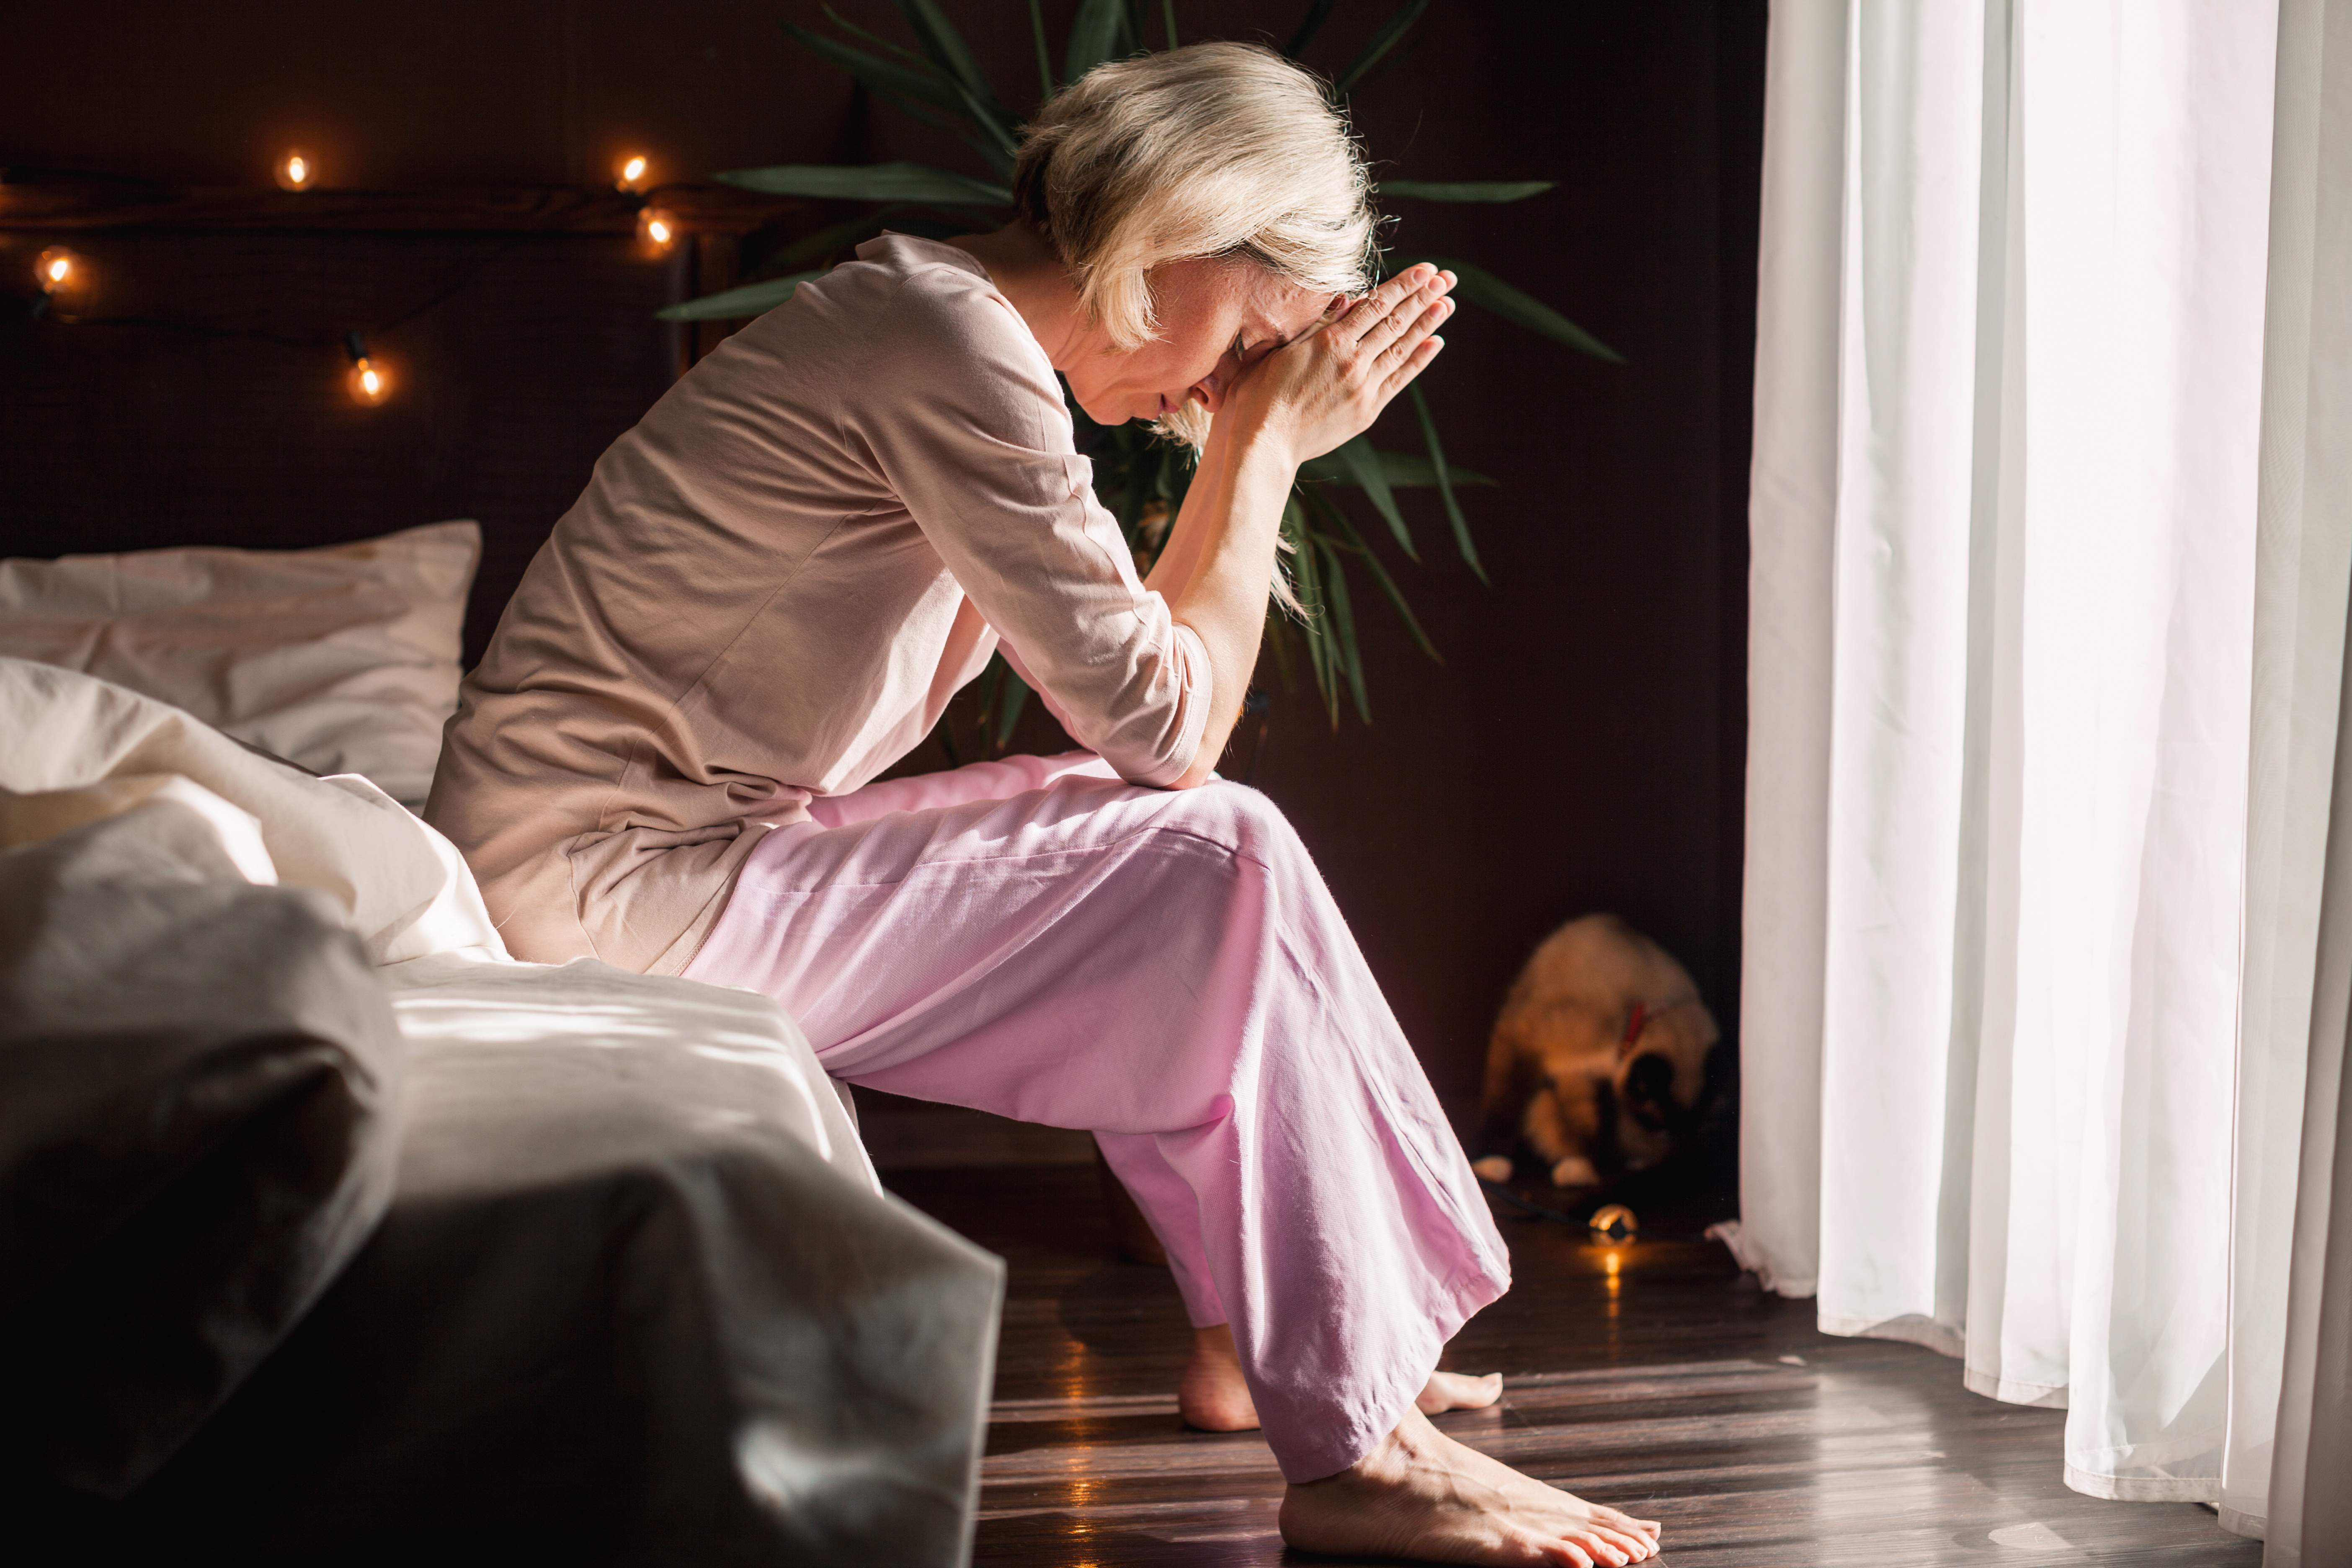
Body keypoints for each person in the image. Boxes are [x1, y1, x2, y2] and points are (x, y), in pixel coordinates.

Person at [427, 39, 1663, 1568]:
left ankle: (1262, 1352)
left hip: (647, 854)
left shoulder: (942, 329)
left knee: (1182, 877)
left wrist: (1242, 435)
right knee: (1213, 851)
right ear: (1185, 226)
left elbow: (1143, 689)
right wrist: (1263, 446)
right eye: (1255, 336)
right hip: (605, 881)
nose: (1227, 388)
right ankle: (1361, 1444)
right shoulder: (944, 345)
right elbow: (1168, 732)